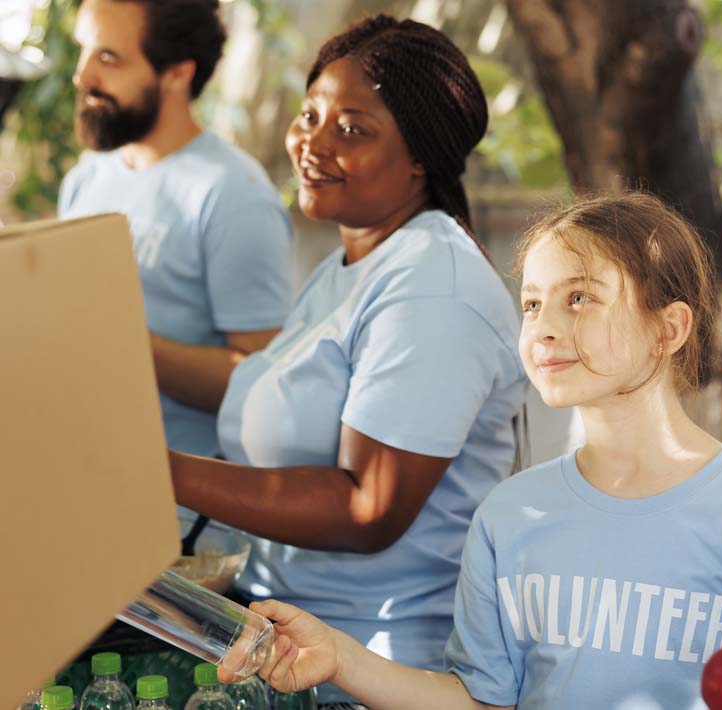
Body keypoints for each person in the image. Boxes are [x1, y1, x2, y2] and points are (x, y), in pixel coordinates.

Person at [223, 192, 722, 709]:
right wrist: (340, 657)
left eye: (580, 298)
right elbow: (480, 700)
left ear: (669, 329)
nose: (544, 325)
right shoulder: (509, 516)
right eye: (532, 303)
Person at [168, 15, 527, 707]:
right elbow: (255, 386)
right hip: (287, 649)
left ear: (419, 155)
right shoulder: (351, 263)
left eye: (353, 129)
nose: (313, 143)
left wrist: (153, 471)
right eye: (310, 115)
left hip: (374, 673)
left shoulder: (433, 285)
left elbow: (368, 507)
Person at [59, 0, 293, 459]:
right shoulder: (87, 177)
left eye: (109, 58)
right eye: (83, 50)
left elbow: (261, 383)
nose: (82, 76)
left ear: (177, 74)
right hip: (81, 463)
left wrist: (117, 339)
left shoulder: (235, 197)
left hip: (181, 507)